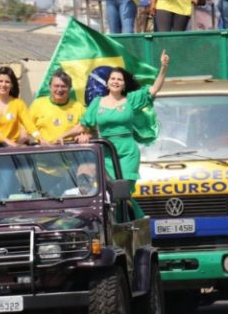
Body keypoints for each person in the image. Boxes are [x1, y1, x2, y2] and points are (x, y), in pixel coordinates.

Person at [63, 51, 171, 216]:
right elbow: (82, 126)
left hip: (128, 152)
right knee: (112, 195)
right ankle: (128, 223)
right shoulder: (97, 103)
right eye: (112, 78)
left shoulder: (130, 100)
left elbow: (154, 89)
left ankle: (131, 225)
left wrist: (164, 67)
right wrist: (61, 137)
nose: (115, 81)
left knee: (123, 192)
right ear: (107, 83)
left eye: (119, 79)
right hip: (107, 154)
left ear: (124, 84)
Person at [0, 66, 40, 148]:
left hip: (10, 149)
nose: (3, 85)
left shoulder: (19, 103)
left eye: (7, 82)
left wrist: (40, 138)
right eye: (0, 81)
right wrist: (7, 141)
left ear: (12, 85)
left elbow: (30, 126)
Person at [29, 69, 86, 145]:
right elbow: (26, 128)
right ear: (50, 87)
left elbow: (88, 131)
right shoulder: (38, 104)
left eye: (63, 86)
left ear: (70, 88)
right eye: (56, 86)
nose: (59, 89)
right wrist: (39, 138)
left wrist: (84, 136)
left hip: (70, 152)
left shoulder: (79, 107)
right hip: (44, 151)